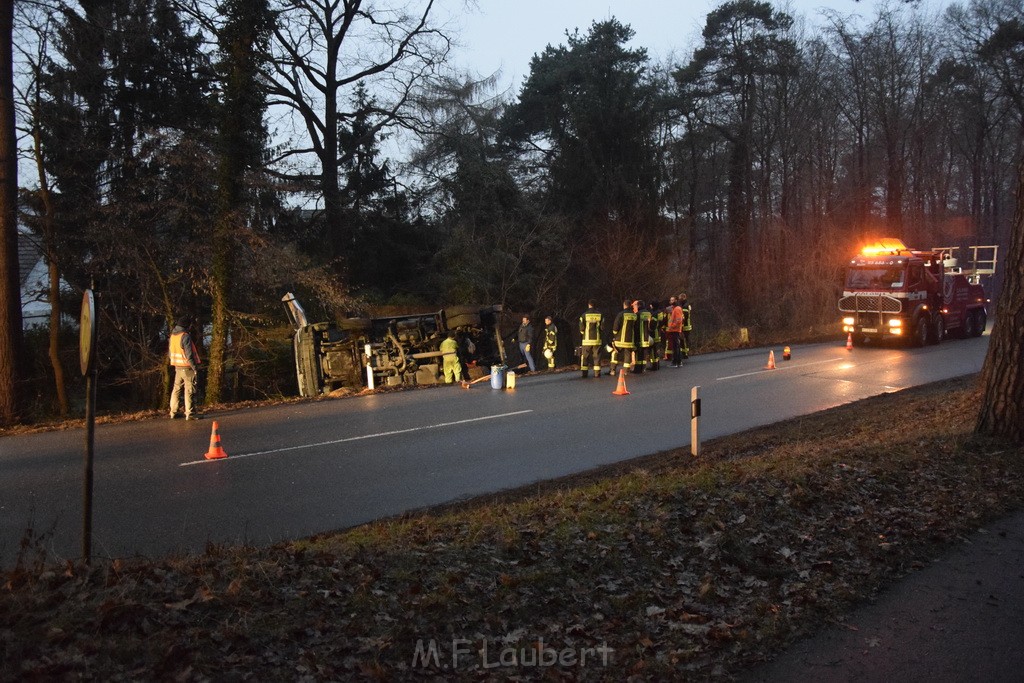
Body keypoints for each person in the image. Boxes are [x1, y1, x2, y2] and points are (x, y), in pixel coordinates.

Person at [169, 317, 202, 420]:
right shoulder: (185, 336)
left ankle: (173, 412)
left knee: (176, 389)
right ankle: (190, 413)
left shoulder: (173, 336)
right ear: (187, 325)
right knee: (189, 390)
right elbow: (189, 354)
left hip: (177, 366)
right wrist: (194, 367)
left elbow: (170, 353)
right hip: (187, 367)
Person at [609, 299, 637, 376]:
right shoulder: (634, 315)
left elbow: (616, 326)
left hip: (619, 340)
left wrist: (615, 334)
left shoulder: (621, 314)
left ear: (624, 305)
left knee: (615, 353)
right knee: (627, 355)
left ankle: (613, 370)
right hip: (629, 340)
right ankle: (626, 371)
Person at [578, 299, 604, 378]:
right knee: (597, 357)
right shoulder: (600, 315)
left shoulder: (584, 315)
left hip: (586, 340)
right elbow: (602, 327)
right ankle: (597, 373)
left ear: (589, 305)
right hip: (597, 340)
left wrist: (583, 334)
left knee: (585, 357)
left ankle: (584, 373)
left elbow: (581, 328)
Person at [666, 296, 684, 367]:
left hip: (675, 330)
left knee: (676, 347)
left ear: (676, 300)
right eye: (670, 300)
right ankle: (678, 362)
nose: (671, 301)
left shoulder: (677, 309)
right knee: (676, 346)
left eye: (672, 300)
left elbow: (678, 320)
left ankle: (675, 362)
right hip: (674, 330)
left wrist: (671, 326)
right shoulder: (674, 309)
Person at [635, 300, 652, 373]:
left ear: (638, 306)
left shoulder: (638, 314)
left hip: (640, 336)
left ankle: (638, 369)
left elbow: (636, 326)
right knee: (645, 353)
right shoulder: (648, 313)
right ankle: (644, 368)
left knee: (639, 353)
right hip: (647, 336)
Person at [679, 293, 693, 359]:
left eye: (680, 298)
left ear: (683, 298)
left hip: (685, 326)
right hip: (688, 325)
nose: (679, 299)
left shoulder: (684, 306)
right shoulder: (687, 304)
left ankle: (685, 353)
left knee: (683, 340)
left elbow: (685, 317)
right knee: (685, 340)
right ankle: (685, 352)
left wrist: (681, 325)